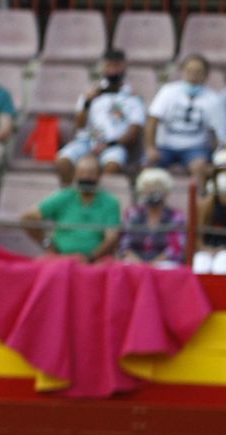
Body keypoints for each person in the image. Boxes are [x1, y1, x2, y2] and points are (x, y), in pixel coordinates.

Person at [58, 50, 145, 187]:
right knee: (63, 161)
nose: (112, 70)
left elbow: (134, 132)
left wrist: (108, 145)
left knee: (112, 165)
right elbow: (79, 126)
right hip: (87, 142)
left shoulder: (132, 98)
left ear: (124, 67)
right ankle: (72, 197)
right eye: (109, 66)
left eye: (116, 66)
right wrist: (87, 103)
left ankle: (97, 199)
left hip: (115, 144)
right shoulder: (91, 94)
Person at [144, 54, 224, 191]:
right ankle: (146, 207)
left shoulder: (213, 100)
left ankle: (198, 205)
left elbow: (219, 133)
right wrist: (151, 147)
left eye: (198, 72)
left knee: (200, 168)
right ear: (182, 72)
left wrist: (214, 158)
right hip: (165, 146)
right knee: (148, 166)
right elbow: (152, 120)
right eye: (190, 71)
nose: (193, 75)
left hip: (195, 148)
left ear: (206, 75)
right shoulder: (168, 91)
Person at [23, 155, 122, 261]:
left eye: (91, 173)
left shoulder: (110, 202)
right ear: (75, 175)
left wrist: (90, 257)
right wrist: (47, 243)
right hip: (61, 258)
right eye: (82, 173)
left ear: (99, 176)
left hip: (96, 261)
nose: (86, 177)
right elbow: (28, 217)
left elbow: (111, 238)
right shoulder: (64, 196)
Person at [118, 167, 185, 267]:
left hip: (163, 263)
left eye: (157, 187)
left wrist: (153, 264)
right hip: (135, 262)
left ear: (166, 192)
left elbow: (176, 248)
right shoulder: (132, 213)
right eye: (148, 188)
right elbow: (124, 245)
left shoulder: (176, 216)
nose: (152, 191)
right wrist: (140, 264)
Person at [193, 149, 226, 272]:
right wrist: (207, 249)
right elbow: (197, 237)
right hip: (208, 249)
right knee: (199, 265)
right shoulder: (206, 204)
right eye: (221, 172)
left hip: (224, 253)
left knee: (222, 266)